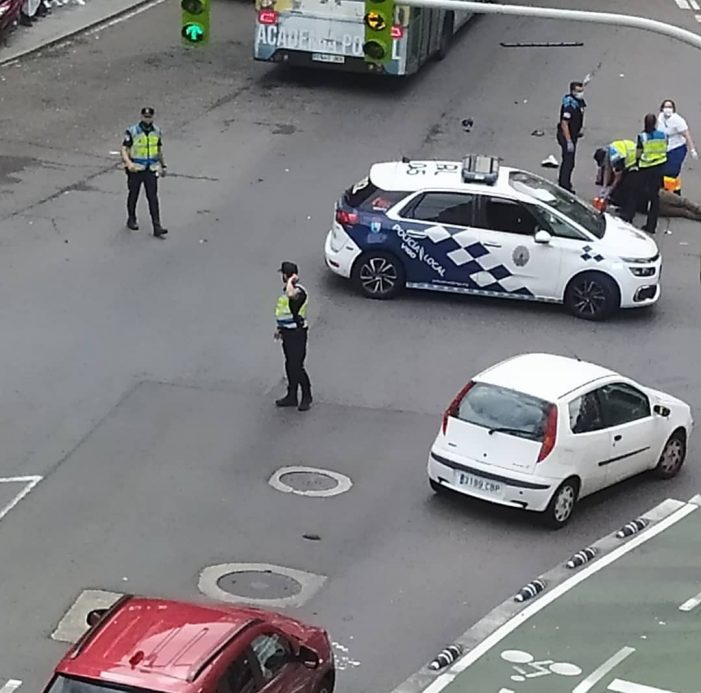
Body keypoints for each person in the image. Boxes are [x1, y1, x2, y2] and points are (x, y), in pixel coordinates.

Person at [120, 107, 168, 238]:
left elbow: (158, 150)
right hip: (136, 169)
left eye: (149, 117)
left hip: (151, 169)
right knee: (133, 194)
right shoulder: (133, 131)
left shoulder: (156, 131)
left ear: (153, 117)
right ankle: (131, 218)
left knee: (153, 198)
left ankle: (157, 226)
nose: (147, 119)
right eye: (145, 117)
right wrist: (129, 163)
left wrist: (163, 165)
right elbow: (124, 149)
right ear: (141, 117)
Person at [274, 262, 312, 412]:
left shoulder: (298, 291)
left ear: (286, 275)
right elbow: (285, 311)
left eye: (283, 274)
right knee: (290, 365)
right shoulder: (286, 291)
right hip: (288, 334)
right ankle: (292, 396)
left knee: (297, 367)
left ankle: (307, 396)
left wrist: (291, 281)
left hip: (297, 335)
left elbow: (292, 295)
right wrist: (279, 328)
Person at [635, 113, 668, 234]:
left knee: (640, 192)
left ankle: (635, 212)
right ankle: (651, 225)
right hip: (659, 169)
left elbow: (638, 153)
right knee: (655, 199)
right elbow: (665, 148)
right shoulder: (663, 135)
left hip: (646, 168)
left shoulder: (642, 137)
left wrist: (637, 164)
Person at [657, 99, 698, 195]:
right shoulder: (660, 117)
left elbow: (687, 135)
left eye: (670, 107)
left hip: (677, 149)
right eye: (666, 107)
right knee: (665, 172)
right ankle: (675, 191)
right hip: (665, 149)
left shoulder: (678, 120)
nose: (667, 109)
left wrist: (692, 149)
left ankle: (671, 193)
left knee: (671, 172)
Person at [593, 139, 638, 221]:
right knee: (621, 187)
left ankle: (628, 214)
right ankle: (622, 205)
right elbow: (607, 170)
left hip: (634, 163)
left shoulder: (615, 157)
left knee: (628, 188)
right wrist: (604, 186)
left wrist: (609, 190)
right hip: (626, 159)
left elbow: (618, 177)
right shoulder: (608, 152)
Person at [556, 81, 586, 193]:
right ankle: (564, 186)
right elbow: (564, 123)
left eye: (581, 91)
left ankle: (565, 183)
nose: (580, 93)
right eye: (578, 91)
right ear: (572, 91)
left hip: (573, 134)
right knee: (568, 162)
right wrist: (568, 141)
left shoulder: (578, 101)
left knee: (569, 161)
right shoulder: (569, 104)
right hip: (566, 135)